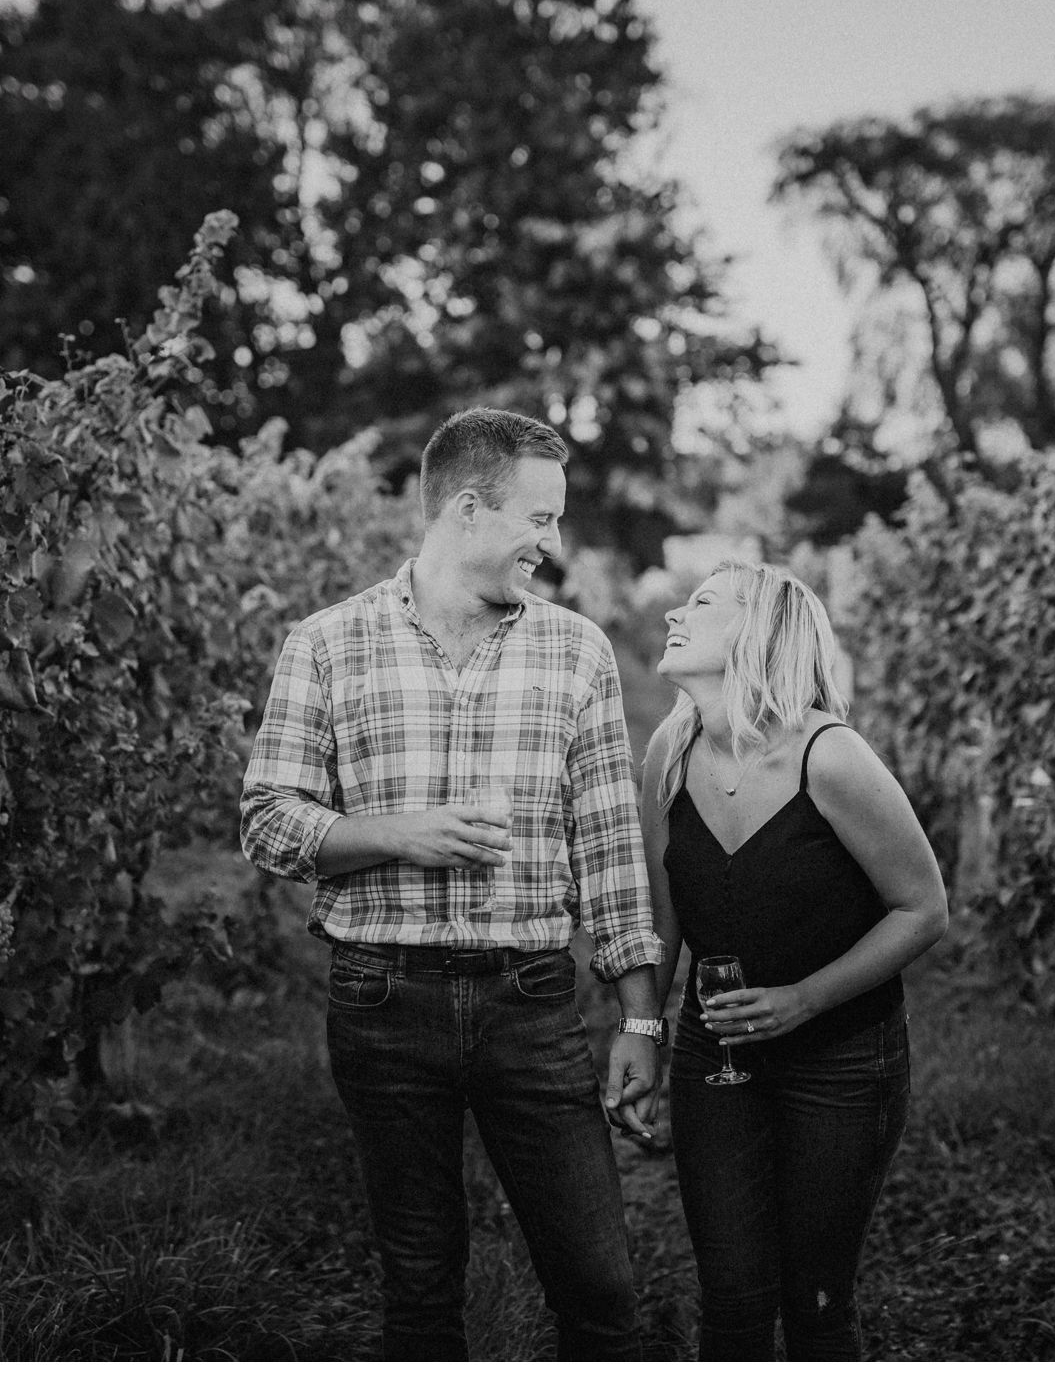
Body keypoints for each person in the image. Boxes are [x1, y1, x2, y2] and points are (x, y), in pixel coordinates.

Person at [239, 407, 665, 1359]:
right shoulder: (325, 644)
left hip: (532, 1001)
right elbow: (268, 820)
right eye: (539, 519)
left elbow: (608, 846)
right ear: (469, 508)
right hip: (381, 996)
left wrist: (640, 1019)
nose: (552, 546)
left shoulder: (577, 651)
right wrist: (401, 836)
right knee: (421, 1287)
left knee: (599, 1283)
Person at [639, 561, 947, 1359]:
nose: (676, 610)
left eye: (702, 603)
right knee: (732, 1299)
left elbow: (923, 910)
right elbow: (663, 920)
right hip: (718, 1053)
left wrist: (805, 999)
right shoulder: (668, 754)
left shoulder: (831, 758)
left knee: (815, 1301)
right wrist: (641, 1028)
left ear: (760, 632)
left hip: (842, 1061)